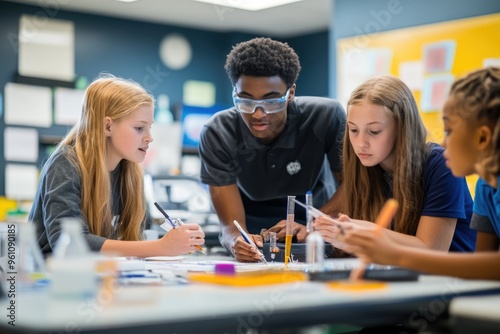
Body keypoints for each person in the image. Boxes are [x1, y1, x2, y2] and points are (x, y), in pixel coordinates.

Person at [338, 67, 500, 280]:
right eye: (353, 130)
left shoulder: (438, 162)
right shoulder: (485, 186)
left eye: (449, 131)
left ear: (483, 137)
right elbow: (483, 269)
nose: (442, 143)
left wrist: (395, 253)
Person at [198, 37, 346, 262]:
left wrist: (316, 224)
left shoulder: (325, 117)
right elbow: (230, 226)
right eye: (246, 101)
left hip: (316, 226)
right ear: (234, 93)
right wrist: (237, 242)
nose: (258, 114)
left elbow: (354, 183)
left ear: (291, 93)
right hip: (256, 236)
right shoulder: (218, 132)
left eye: (271, 101)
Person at [29, 74, 205, 257]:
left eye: (149, 128)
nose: (149, 138)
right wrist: (162, 247)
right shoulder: (65, 165)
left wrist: (176, 240)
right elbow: (68, 242)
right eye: (139, 128)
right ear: (108, 127)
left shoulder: (131, 173)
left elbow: (137, 238)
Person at [315, 75, 476, 255]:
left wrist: (365, 233)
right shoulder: (364, 167)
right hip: (400, 275)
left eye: (374, 131)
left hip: (451, 279)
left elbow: (431, 249)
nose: (361, 143)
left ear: (402, 128)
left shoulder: (441, 164)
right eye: (353, 130)